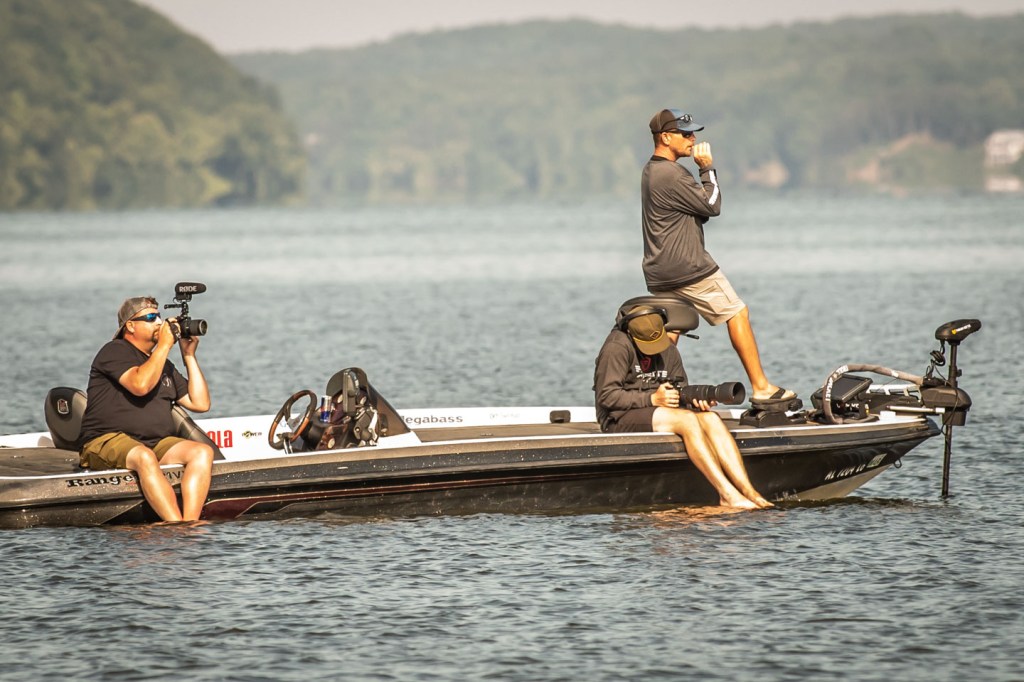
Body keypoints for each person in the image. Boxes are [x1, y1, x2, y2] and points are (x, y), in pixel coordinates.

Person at [641, 108, 795, 406]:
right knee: (737, 313)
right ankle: (762, 387)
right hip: (689, 268)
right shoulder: (672, 174)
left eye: (693, 133)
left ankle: (658, 394)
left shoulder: (650, 171)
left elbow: (690, 211)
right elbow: (712, 205)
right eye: (685, 133)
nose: (692, 138)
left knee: (673, 328)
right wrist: (707, 169)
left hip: (659, 271)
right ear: (666, 137)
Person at [594, 305, 772, 509]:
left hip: (659, 412)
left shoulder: (667, 348)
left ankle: (749, 491)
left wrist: (694, 401)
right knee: (686, 420)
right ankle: (727, 494)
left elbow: (679, 389)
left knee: (710, 419)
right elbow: (606, 397)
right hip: (618, 416)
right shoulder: (616, 347)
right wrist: (651, 399)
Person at [78, 296, 214, 522]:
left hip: (153, 443)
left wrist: (189, 355)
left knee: (202, 452)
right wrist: (164, 345)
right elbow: (140, 385)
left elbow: (200, 403)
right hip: (105, 440)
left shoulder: (163, 364)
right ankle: (175, 525)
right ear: (130, 326)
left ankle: (190, 524)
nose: (159, 322)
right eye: (151, 317)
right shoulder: (114, 351)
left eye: (159, 316)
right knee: (144, 456)